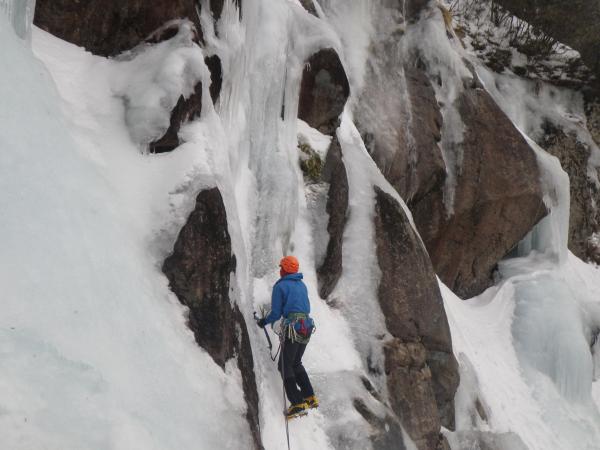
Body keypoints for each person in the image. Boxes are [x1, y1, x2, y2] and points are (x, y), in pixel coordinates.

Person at [257, 255, 318, 419]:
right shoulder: (302, 285)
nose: (280, 270)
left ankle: (297, 403)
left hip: (293, 328)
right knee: (296, 362)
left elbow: (276, 313)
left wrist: (263, 321)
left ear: (284, 270)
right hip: (306, 327)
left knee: (284, 365)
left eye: (281, 268)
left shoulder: (281, 286)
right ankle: (309, 396)